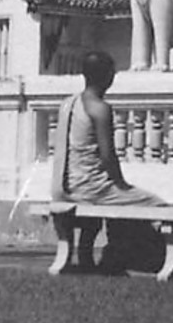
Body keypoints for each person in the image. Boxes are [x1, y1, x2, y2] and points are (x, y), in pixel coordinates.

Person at [52, 49, 165, 272]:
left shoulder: (68, 103)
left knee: (123, 203)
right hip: (92, 189)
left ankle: (109, 258)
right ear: (107, 76)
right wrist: (122, 184)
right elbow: (107, 156)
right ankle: (133, 258)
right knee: (155, 204)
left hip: (64, 186)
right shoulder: (100, 109)